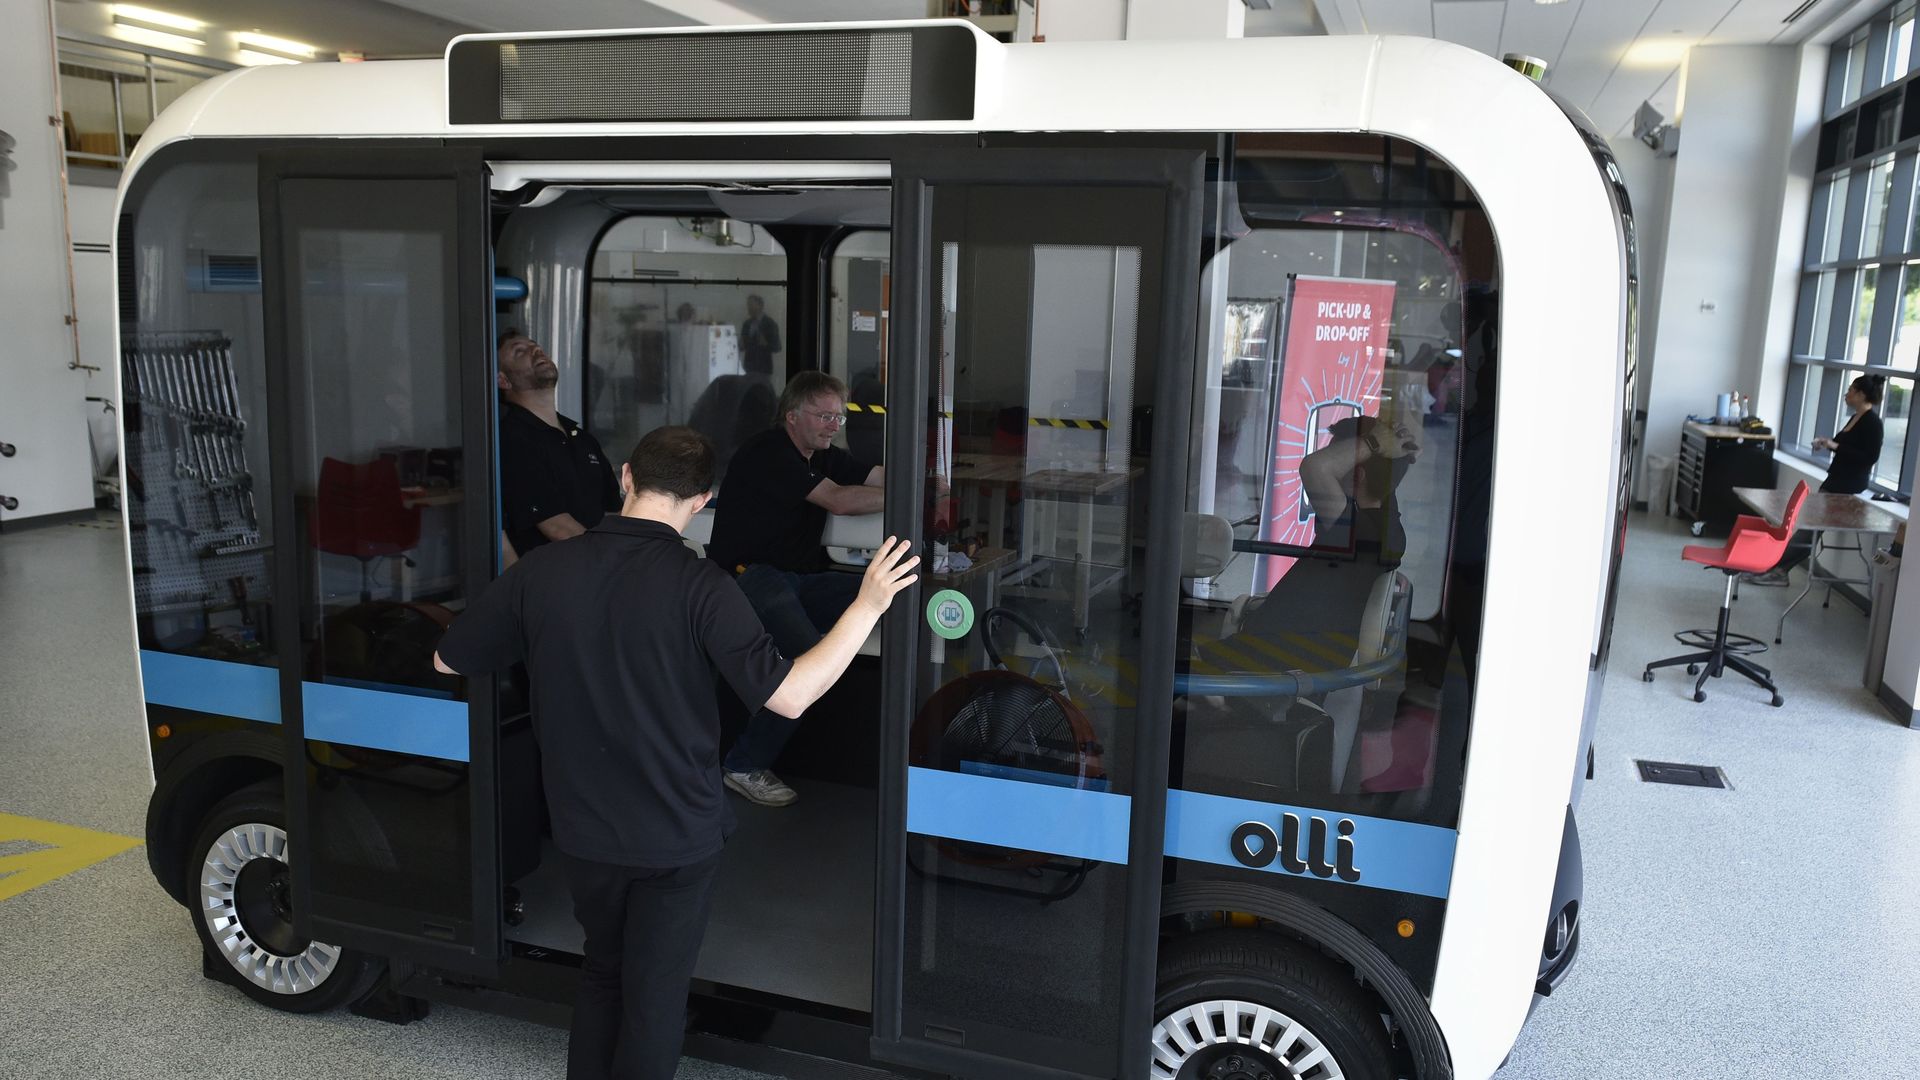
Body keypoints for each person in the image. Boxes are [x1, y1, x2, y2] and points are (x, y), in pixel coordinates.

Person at [432, 426, 918, 1080]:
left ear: (626, 477)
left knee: (604, 974)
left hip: (583, 831)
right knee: (654, 995)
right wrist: (868, 604)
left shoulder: (543, 573)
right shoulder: (704, 587)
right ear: (702, 500)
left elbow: (446, 657)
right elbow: (791, 696)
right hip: (674, 836)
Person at [705, 371, 883, 806]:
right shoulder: (768, 452)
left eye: (837, 419)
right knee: (804, 656)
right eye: (823, 416)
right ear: (791, 416)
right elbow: (840, 500)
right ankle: (743, 763)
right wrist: (912, 497)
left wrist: (925, 479)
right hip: (749, 576)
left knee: (893, 591)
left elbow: (874, 476)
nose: (831, 426)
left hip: (798, 579)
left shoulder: (822, 454)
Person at [1747, 374, 1886, 586]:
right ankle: (1775, 568)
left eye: (1850, 390)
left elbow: (1870, 457)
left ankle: (1776, 569)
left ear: (1860, 394)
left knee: (1809, 530)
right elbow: (1843, 445)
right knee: (1807, 529)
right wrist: (1825, 443)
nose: (1846, 394)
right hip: (1835, 481)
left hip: (1847, 488)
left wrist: (1836, 446)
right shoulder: (1856, 417)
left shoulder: (1873, 423)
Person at [497, 328, 620, 558]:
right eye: (520, 351)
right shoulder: (512, 440)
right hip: (558, 578)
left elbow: (613, 511)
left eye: (536, 346)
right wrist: (611, 561)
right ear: (503, 380)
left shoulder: (583, 440)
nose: (535, 350)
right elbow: (557, 528)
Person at [740, 294, 781, 376]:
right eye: (748, 305)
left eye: (751, 305)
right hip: (748, 369)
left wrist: (766, 344)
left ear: (760, 306)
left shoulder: (770, 323)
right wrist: (740, 345)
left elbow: (777, 347)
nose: (749, 308)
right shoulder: (747, 324)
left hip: (764, 370)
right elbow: (742, 346)